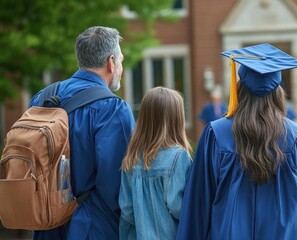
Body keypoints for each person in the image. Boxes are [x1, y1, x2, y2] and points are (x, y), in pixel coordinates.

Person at [177, 43, 297, 239]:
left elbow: (197, 205)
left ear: (240, 89)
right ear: (278, 93)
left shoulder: (216, 134)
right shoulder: (295, 137)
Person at [29, 26, 135, 240]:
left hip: (44, 224)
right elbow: (118, 187)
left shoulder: (41, 98)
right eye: (121, 61)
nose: (121, 68)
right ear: (111, 62)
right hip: (93, 227)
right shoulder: (113, 109)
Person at [119, 87, 192, 240]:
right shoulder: (178, 157)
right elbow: (179, 208)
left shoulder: (131, 158)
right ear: (176, 119)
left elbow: (127, 209)